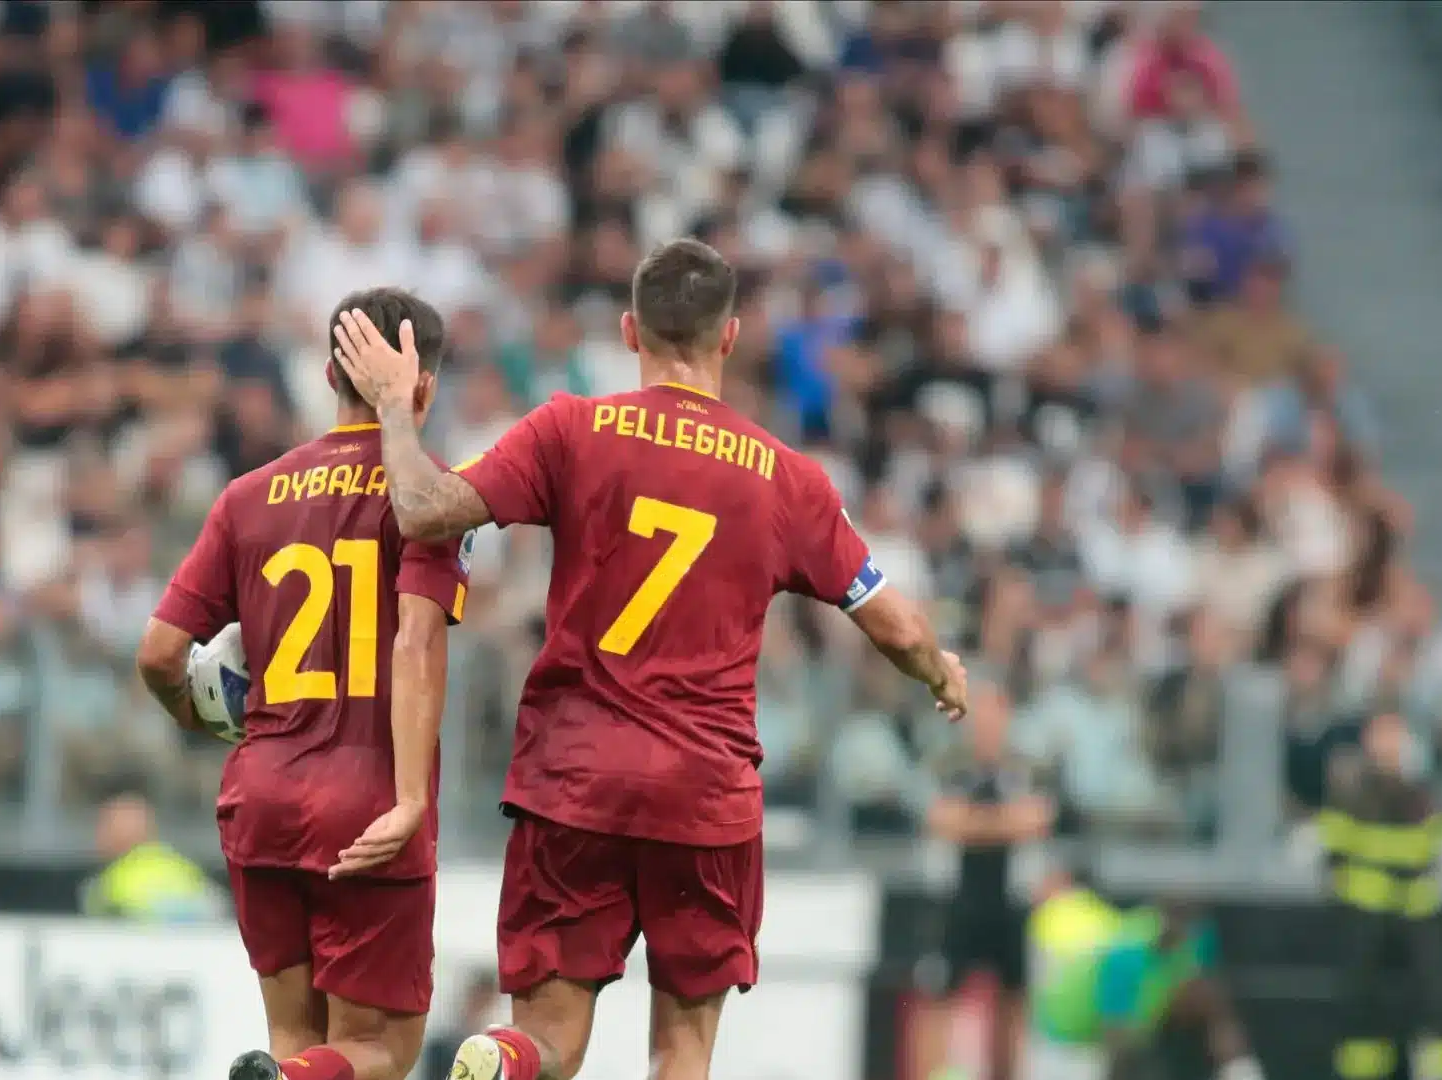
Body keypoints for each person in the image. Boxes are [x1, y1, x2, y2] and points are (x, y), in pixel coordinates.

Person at [331, 237, 969, 1080]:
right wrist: (940, 672)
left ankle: (505, 1056)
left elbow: (423, 510)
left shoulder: (571, 429)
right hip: (703, 798)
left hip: (572, 780)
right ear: (730, 337)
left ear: (631, 331)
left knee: (550, 1042)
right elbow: (896, 629)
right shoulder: (786, 478)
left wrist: (393, 411)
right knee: (682, 1049)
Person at [136, 287, 472, 1080]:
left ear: (327, 374)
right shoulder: (428, 497)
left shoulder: (247, 497)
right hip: (369, 799)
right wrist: (411, 798)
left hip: (261, 793)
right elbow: (417, 641)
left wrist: (192, 714)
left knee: (301, 1040)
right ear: (423, 385)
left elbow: (157, 652)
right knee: (380, 1052)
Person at [913, 682, 1054, 1080]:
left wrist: (972, 824)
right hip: (958, 899)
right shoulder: (947, 765)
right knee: (939, 997)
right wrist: (1003, 824)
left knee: (1012, 1001)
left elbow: (1037, 820)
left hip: (1010, 901)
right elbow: (939, 819)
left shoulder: (1027, 769)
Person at [1319, 711, 1442, 1080]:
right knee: (1361, 1020)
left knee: (1425, 1013)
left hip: (1412, 929)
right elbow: (1335, 856)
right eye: (1382, 738)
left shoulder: (1420, 799)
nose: (1388, 748)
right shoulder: (1351, 797)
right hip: (1364, 925)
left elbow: (1430, 854)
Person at [1026, 877, 1262, 1080]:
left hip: (1136, 1028)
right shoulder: (1127, 953)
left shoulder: (1199, 939)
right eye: (1178, 918)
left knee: (1208, 996)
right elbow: (1115, 1035)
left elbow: (1208, 992)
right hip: (1073, 1038)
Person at [78, 789, 224, 923]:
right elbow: (218, 908)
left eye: (104, 825)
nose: (98, 835)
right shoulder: (180, 865)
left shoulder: (109, 885)